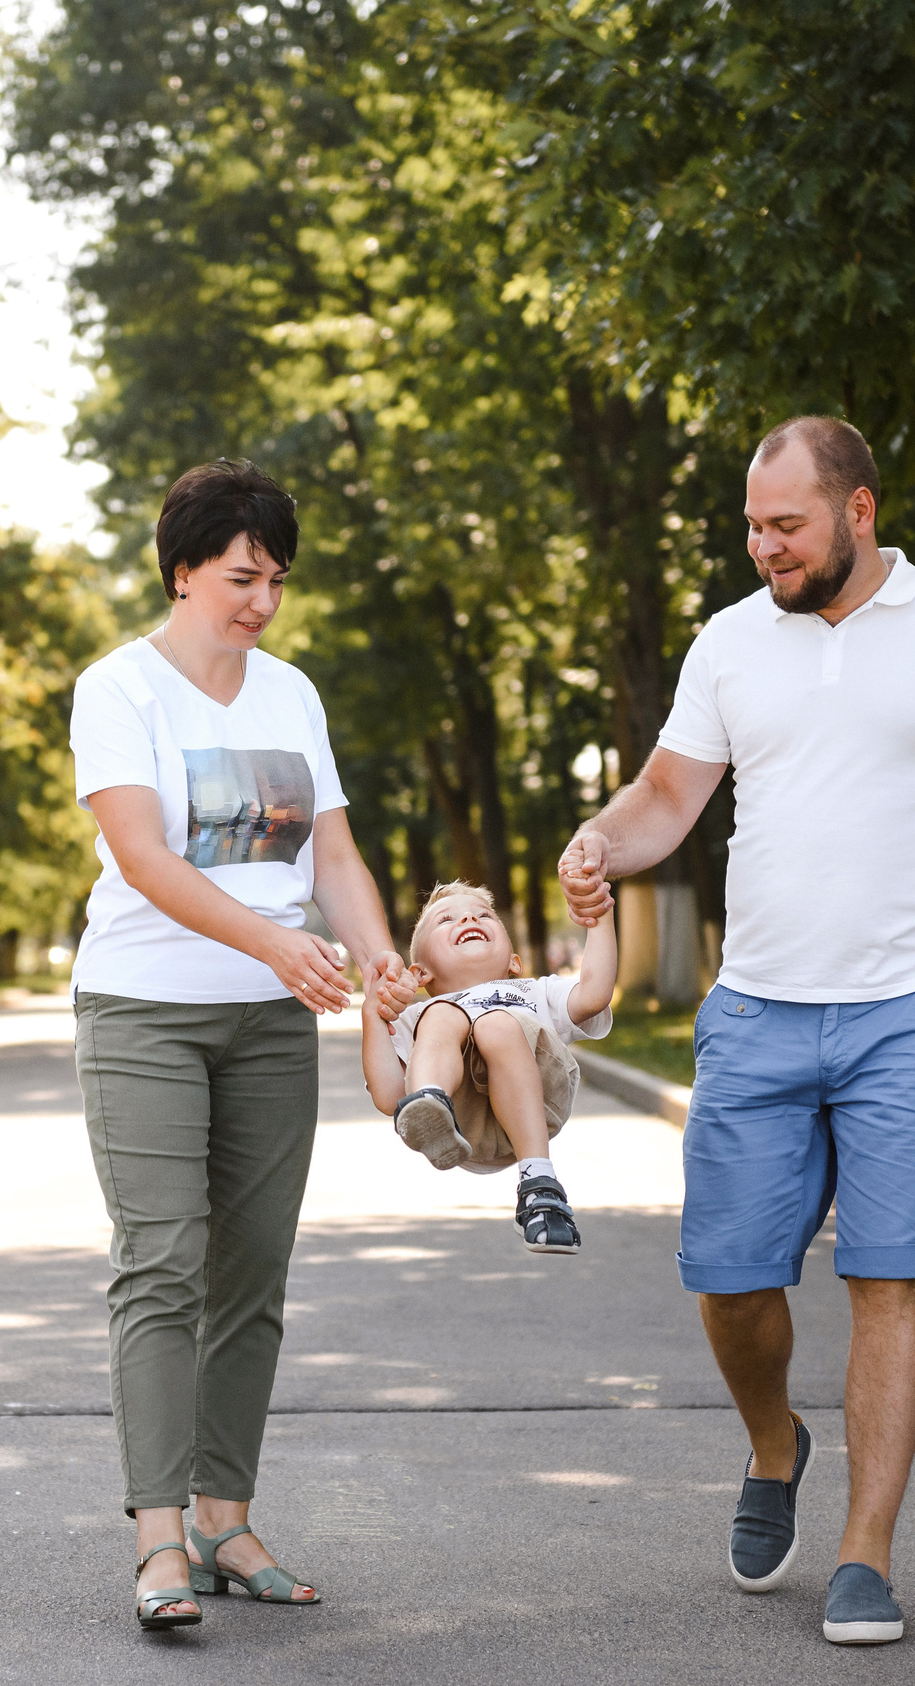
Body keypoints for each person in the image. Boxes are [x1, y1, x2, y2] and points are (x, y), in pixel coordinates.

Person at [558, 416, 915, 1647]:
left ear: (858, 510)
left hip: (912, 1006)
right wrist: (600, 842)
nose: (763, 549)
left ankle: (865, 1552)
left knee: (885, 1275)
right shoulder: (732, 641)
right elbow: (666, 795)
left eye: (784, 525)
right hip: (755, 1007)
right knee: (732, 1279)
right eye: (751, 526)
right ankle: (771, 1441)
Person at [67, 457, 407, 1633]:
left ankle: (225, 1515)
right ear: (182, 570)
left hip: (271, 1019)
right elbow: (146, 857)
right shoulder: (118, 688)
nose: (259, 601)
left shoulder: (291, 695)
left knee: (250, 1274)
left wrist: (377, 960)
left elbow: (335, 858)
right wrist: (274, 941)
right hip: (144, 1010)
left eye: (274, 581)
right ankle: (159, 1537)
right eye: (239, 575)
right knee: (161, 1264)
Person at [360, 880, 617, 1254]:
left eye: (483, 915)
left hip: (537, 1103)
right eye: (446, 920)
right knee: (442, 1014)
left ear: (514, 961)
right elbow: (387, 1096)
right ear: (420, 974)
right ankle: (430, 1105)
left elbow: (594, 995)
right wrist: (373, 1013)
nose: (467, 917)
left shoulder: (535, 991)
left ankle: (539, 1184)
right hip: (467, 1123)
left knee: (495, 1022)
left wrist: (600, 917)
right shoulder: (417, 1016)